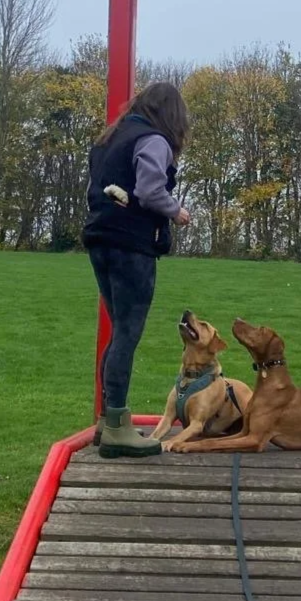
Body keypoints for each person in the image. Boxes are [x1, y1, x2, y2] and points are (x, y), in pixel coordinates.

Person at [82, 82, 191, 458]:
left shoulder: (110, 139)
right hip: (131, 246)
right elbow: (149, 191)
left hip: (100, 240)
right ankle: (116, 426)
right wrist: (176, 211)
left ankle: (107, 420)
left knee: (118, 334)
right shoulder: (154, 140)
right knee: (128, 334)